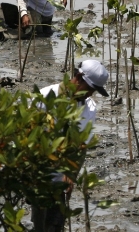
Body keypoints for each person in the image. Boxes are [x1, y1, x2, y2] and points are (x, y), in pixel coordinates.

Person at [32, 59, 110, 231]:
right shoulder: (44, 97)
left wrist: (71, 174)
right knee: (39, 222)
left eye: (94, 91)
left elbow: (81, 146)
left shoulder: (89, 107)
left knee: (55, 223)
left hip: (61, 176)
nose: (90, 94)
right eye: (89, 89)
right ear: (78, 77)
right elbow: (27, 135)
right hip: (37, 171)